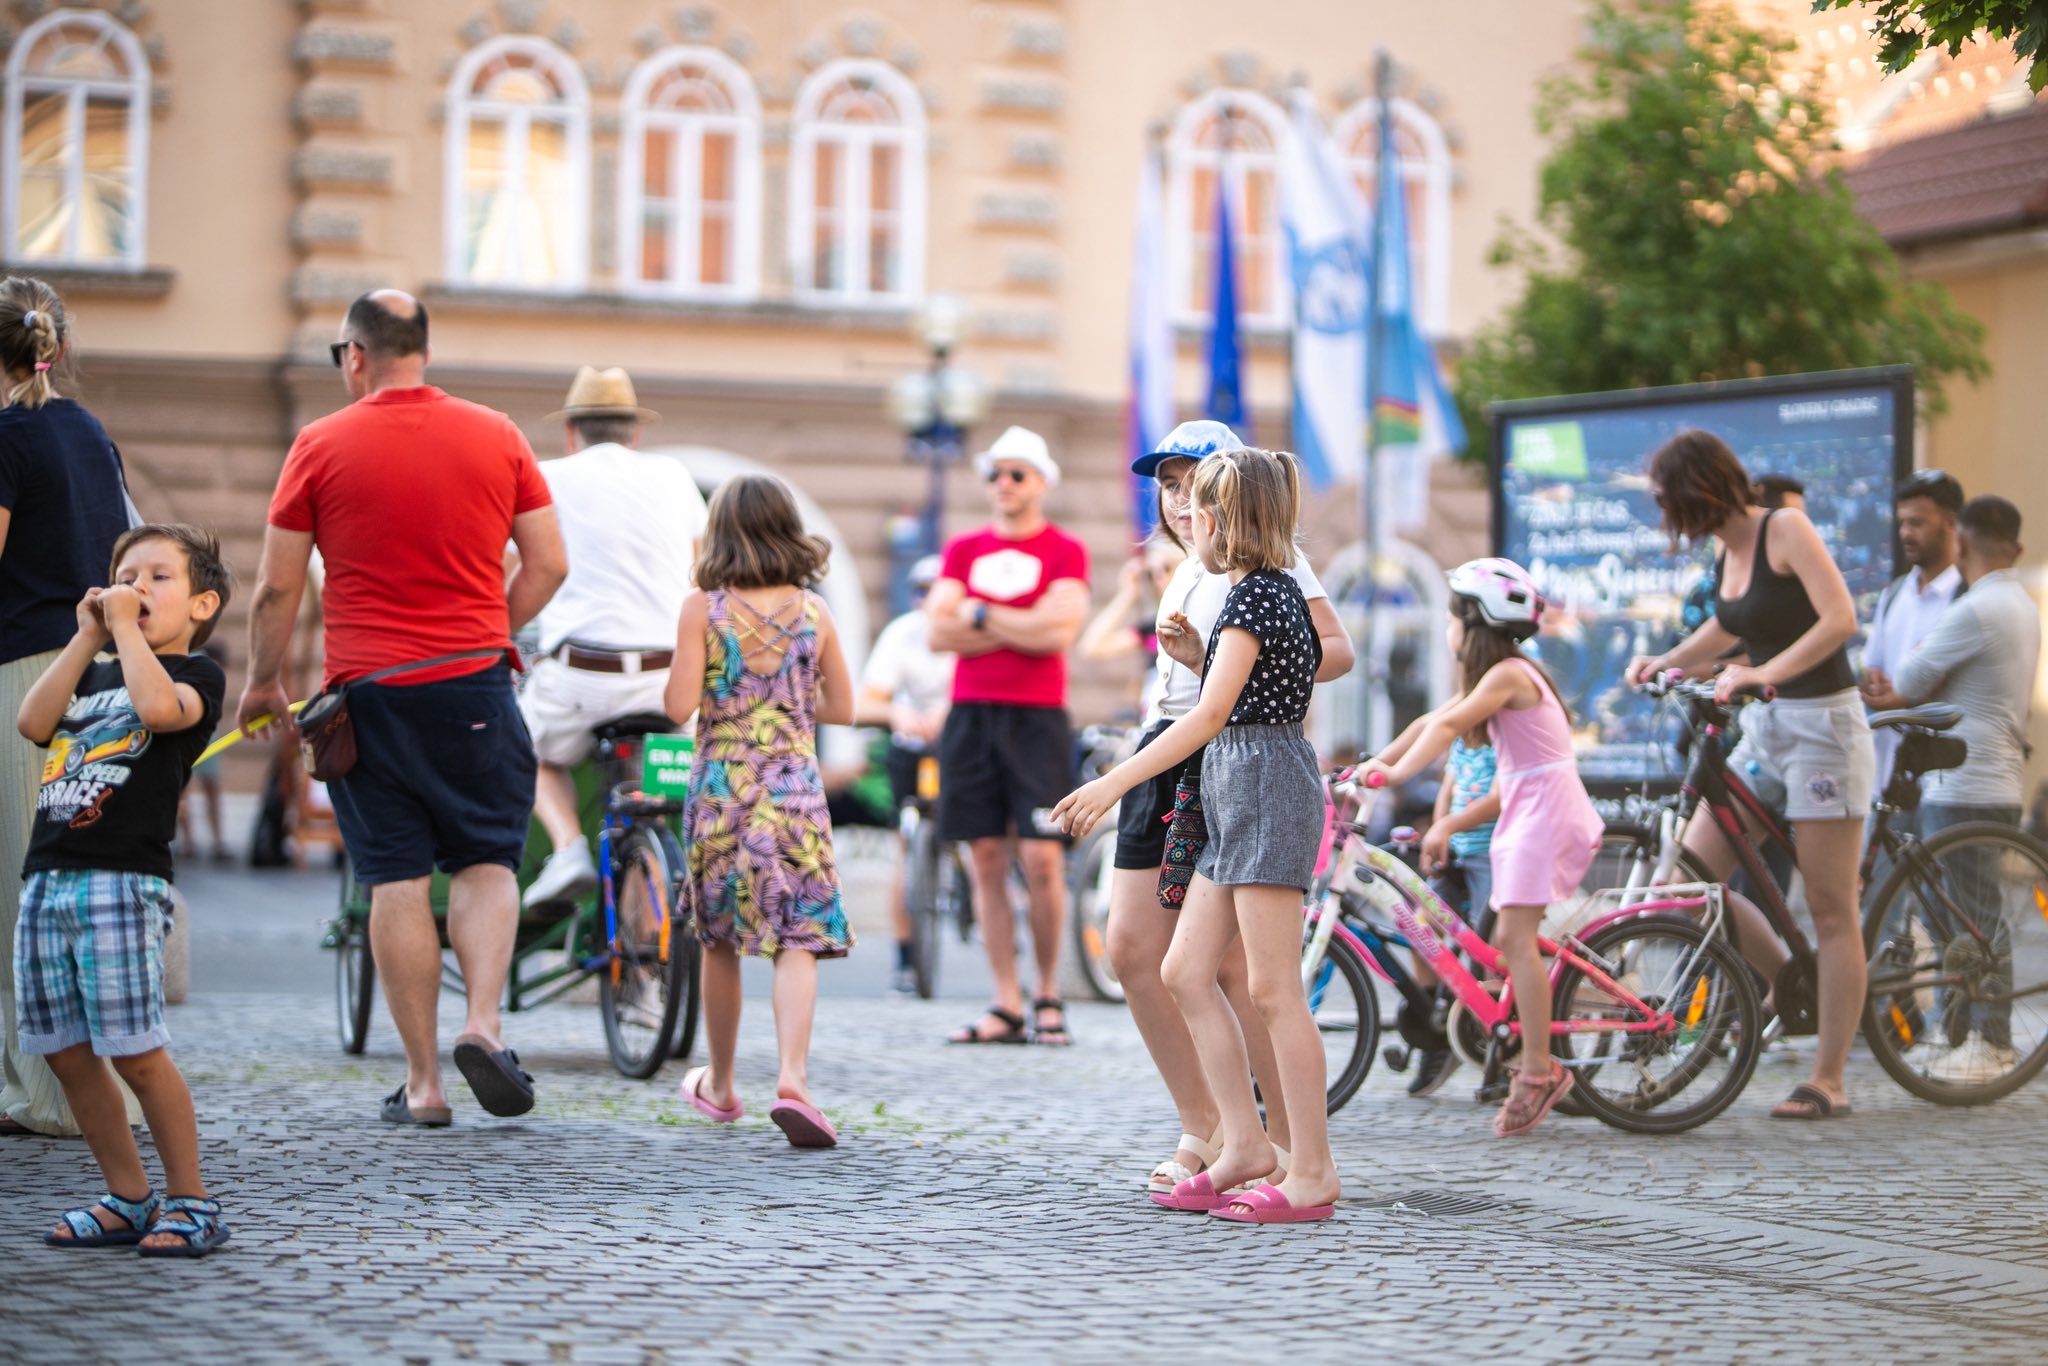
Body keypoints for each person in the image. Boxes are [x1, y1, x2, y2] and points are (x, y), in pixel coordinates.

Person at [238, 290, 568, 1127]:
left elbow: (279, 585)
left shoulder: (317, 444)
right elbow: (549, 563)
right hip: (472, 685)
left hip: (367, 696)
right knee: (489, 861)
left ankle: (423, 1084)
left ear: (355, 356)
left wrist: (263, 682)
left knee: (394, 876)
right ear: (423, 347)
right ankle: (484, 1026)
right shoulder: (498, 433)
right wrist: (489, 628)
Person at [1057, 446, 1340, 1225]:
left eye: (1197, 509)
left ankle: (1311, 1170)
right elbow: (1245, 685)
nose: (1186, 521)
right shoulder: (1255, 598)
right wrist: (1198, 654)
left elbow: (1214, 715)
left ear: (1224, 520)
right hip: (1230, 789)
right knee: (1184, 970)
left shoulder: (1258, 597)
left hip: (1265, 788)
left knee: (1274, 988)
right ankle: (1243, 1144)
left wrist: (1112, 783)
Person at [1626, 429, 1872, 1122]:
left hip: (1824, 727)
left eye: (1670, 500)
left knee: (1829, 908)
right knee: (1687, 882)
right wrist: (1667, 662)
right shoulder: (1727, 548)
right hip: (1766, 729)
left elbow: (1839, 619)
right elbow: (1729, 630)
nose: (1669, 516)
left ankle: (1829, 1078)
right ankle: (1787, 977)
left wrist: (1764, 672)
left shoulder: (1783, 528)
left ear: (1701, 488)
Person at [15, 524, 230, 1254]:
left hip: (123, 883)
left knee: (136, 1051)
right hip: (48, 881)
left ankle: (192, 1200)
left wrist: (125, 633)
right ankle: (127, 1195)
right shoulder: (95, 671)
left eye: (156, 578)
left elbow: (159, 713)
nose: (135, 588)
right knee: (65, 1051)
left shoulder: (196, 676)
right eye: (124, 574)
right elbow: (32, 721)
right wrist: (85, 639)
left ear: (202, 605)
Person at [1365, 559, 1602, 1137]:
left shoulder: (1510, 675)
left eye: (1451, 617)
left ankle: (1541, 1071)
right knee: (1505, 941)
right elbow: (1434, 718)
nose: (1447, 629)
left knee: (1514, 942)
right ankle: (1539, 1046)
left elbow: (1445, 731)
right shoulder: (1497, 677)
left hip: (1541, 810)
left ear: (1475, 622)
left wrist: (1390, 780)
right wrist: (1379, 763)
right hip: (1528, 807)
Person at [666, 475, 854, 1149]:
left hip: (723, 791)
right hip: (795, 792)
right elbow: (844, 710)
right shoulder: (814, 612)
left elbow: (677, 705)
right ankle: (793, 1079)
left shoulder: (702, 609)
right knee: (796, 936)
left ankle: (719, 1085)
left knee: (718, 937)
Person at [0, 276, 142, 1139]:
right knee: (67, 883)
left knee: (20, 886)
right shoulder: (91, 433)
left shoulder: (8, 436)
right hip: (100, 671)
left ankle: (45, 1096)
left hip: (29, 673)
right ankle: (57, 1089)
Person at [518, 366, 707, 908]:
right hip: (667, 678)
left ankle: (569, 848)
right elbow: (701, 571)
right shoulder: (672, 474)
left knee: (528, 750)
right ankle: (648, 964)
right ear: (635, 434)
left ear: (571, 432)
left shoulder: (546, 476)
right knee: (649, 802)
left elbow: (519, 569)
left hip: (582, 675)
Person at [925, 426, 1089, 1047]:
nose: (1004, 485)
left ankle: (1048, 993)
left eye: (1016, 473)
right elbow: (937, 633)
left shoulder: (1064, 550)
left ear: (1041, 481)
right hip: (970, 715)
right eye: (995, 474)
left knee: (1042, 857)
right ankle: (1006, 1001)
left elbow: (1058, 633)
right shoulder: (964, 549)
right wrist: (1022, 620)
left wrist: (979, 613)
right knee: (985, 859)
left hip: (1038, 717)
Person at [1884, 495, 2039, 1083]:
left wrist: (1928, 666)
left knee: (1974, 921)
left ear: (1962, 544)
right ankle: (1953, 1035)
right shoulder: (2019, 604)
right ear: (2015, 547)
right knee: (1960, 921)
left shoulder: (1977, 609)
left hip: (1965, 784)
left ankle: (1989, 1040)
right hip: (1989, 778)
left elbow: (1908, 678)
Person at [853, 554, 955, 994]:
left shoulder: (965, 633)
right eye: (919, 592)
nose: (925, 600)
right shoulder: (902, 634)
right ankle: (906, 956)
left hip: (957, 743)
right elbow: (865, 701)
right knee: (904, 846)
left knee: (983, 837)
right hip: (912, 750)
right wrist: (896, 711)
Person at [1861, 470, 1964, 789]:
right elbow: (1871, 663)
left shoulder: (1968, 598)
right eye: (1902, 523)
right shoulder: (1893, 594)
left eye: (1917, 523)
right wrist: (1872, 682)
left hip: (1946, 776)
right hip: (1889, 772)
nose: (1905, 533)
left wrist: (1901, 697)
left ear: (1951, 523)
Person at [176, 642, 233, 865]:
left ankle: (193, 841)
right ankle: (214, 841)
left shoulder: (191, 660)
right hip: (200, 738)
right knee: (203, 790)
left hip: (197, 737)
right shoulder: (200, 664)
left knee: (185, 792)